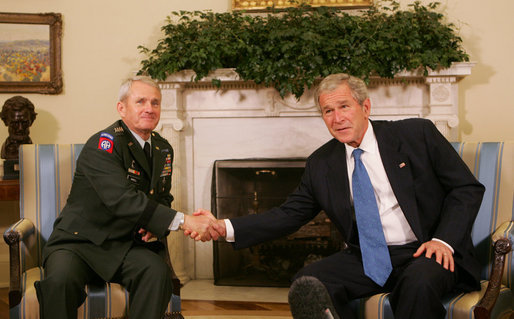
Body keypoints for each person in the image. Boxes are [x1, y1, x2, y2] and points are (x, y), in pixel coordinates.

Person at [189, 73, 485, 319]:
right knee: (309, 284)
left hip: (427, 249)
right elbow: (289, 214)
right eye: (328, 111)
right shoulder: (322, 163)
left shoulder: (416, 134)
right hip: (370, 258)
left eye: (344, 106)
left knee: (418, 283)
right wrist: (223, 227)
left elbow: (466, 188)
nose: (337, 118)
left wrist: (443, 240)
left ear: (365, 107)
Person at [34, 76, 220, 319]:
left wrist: (156, 229)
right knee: (59, 282)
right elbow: (122, 200)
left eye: (155, 103)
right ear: (121, 108)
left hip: (125, 244)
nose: (149, 109)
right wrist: (184, 221)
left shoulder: (162, 148)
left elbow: (162, 197)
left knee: (157, 273)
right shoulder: (103, 145)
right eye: (140, 101)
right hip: (79, 243)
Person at [0, 95, 37, 160]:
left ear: (32, 121)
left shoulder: (35, 151)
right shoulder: (5, 150)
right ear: (5, 121)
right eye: (15, 123)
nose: (20, 128)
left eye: (24, 123)